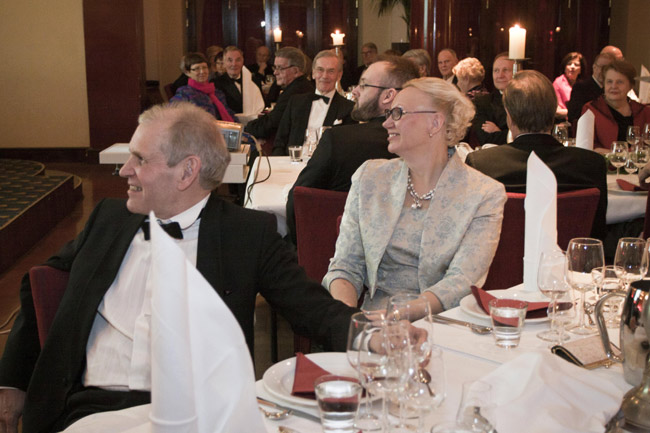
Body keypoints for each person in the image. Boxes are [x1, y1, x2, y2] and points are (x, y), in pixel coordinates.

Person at [0, 102, 359, 433]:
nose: (125, 170)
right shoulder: (108, 219)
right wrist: (12, 380)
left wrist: (374, 339)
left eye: (140, 160)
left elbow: (314, 310)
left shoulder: (246, 234)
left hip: (195, 413)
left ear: (187, 171)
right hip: (88, 409)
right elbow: (38, 283)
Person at [323, 77, 507, 312]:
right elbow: (346, 265)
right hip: (371, 320)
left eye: (398, 113)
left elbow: (461, 281)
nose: (386, 123)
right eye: (388, 113)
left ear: (435, 123)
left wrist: (397, 317)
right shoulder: (370, 177)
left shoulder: (483, 193)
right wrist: (347, 317)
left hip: (442, 322)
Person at [285, 56, 419, 244]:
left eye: (363, 85)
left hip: (335, 249)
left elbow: (297, 201)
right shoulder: (426, 144)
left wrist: (304, 250)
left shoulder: (338, 140)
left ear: (388, 96)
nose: (355, 91)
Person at [465, 70, 608, 240]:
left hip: (501, 256)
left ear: (509, 116)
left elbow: (469, 234)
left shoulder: (481, 165)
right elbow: (596, 235)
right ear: (554, 114)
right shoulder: (591, 164)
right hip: (568, 256)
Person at [272, 50, 355, 155]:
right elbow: (279, 143)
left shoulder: (348, 108)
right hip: (292, 162)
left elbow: (346, 150)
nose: (324, 76)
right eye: (320, 70)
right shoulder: (295, 102)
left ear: (339, 75)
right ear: (313, 73)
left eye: (331, 71)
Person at [244, 47, 314, 140]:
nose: (275, 72)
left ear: (296, 71)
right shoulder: (300, 86)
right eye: (275, 67)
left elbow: (271, 125)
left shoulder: (294, 92)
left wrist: (247, 128)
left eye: (280, 68)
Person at [581, 59, 650, 152]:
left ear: (631, 86)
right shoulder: (591, 109)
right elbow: (587, 147)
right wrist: (623, 154)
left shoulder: (644, 112)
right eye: (609, 81)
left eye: (620, 82)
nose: (614, 86)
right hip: (602, 161)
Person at [169, 53, 236, 121]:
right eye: (197, 68)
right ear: (187, 72)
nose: (202, 72)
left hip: (222, 127)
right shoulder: (184, 93)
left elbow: (229, 113)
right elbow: (173, 115)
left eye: (204, 67)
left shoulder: (217, 93)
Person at [471, 52, 515, 145]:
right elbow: (486, 139)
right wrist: (507, 134)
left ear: (516, 72)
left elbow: (528, 137)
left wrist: (499, 132)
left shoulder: (527, 101)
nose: (500, 75)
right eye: (496, 71)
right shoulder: (483, 102)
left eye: (505, 70)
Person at [212, 46, 265, 118]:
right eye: (230, 60)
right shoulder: (216, 83)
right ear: (224, 63)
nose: (234, 64)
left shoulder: (254, 81)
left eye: (238, 60)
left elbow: (263, 106)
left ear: (243, 62)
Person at [567, 52, 614, 124]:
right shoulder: (581, 87)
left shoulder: (611, 90)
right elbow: (574, 116)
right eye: (603, 68)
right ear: (594, 67)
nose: (605, 72)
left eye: (609, 68)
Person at [553, 52, 585, 119]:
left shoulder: (582, 85)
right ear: (564, 68)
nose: (572, 67)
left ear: (580, 70)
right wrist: (575, 113)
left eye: (576, 65)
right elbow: (556, 111)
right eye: (569, 64)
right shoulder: (558, 83)